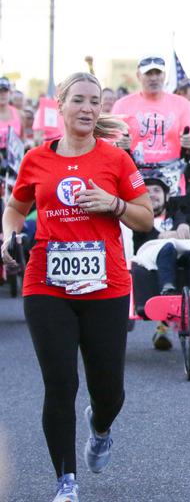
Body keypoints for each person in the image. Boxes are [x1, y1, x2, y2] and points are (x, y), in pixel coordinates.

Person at [1, 72, 153, 502]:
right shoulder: (36, 159)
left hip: (106, 286)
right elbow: (15, 207)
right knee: (60, 383)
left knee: (109, 390)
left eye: (95, 102)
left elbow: (145, 219)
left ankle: (100, 426)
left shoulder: (116, 160)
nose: (87, 108)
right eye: (79, 101)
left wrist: (115, 204)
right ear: (60, 105)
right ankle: (65, 481)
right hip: (46, 284)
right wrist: (7, 234)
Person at [132, 172, 190, 351]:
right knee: (166, 247)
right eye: (147, 191)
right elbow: (139, 239)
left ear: (166, 196)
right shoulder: (137, 215)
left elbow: (184, 221)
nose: (152, 194)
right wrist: (163, 235)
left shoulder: (176, 212)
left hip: (180, 254)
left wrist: (183, 226)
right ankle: (167, 291)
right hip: (150, 257)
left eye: (156, 190)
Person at [111, 55, 190, 194]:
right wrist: (119, 145)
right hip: (135, 174)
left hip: (171, 176)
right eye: (148, 73)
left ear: (164, 75)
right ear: (139, 75)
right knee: (138, 214)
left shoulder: (181, 103)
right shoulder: (122, 105)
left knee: (173, 215)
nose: (154, 78)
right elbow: (110, 145)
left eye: (157, 73)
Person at [0, 77, 23, 151]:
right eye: (0, 91)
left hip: (14, 160)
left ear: (10, 93)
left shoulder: (19, 114)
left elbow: (23, 140)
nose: (2, 94)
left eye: (5, 91)